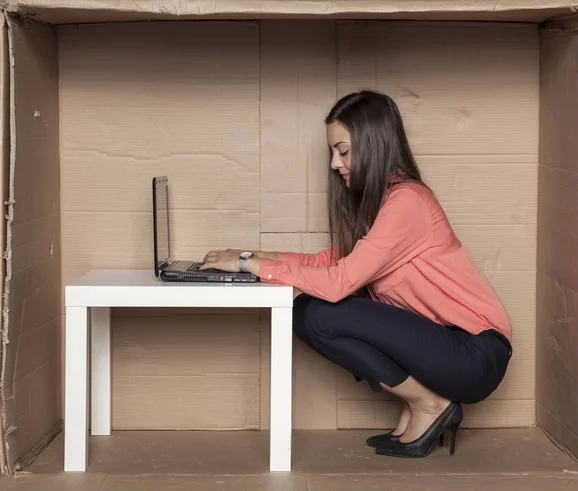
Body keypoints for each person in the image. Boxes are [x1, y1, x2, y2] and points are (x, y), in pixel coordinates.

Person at [200, 90, 512, 459]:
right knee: (305, 312)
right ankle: (422, 404)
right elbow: (329, 262)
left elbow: (335, 284)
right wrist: (251, 255)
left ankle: (429, 403)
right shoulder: (384, 204)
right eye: (333, 152)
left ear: (374, 144)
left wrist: (249, 267)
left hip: (475, 353)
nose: (334, 163)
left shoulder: (408, 201)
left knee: (319, 310)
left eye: (343, 151)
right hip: (446, 345)